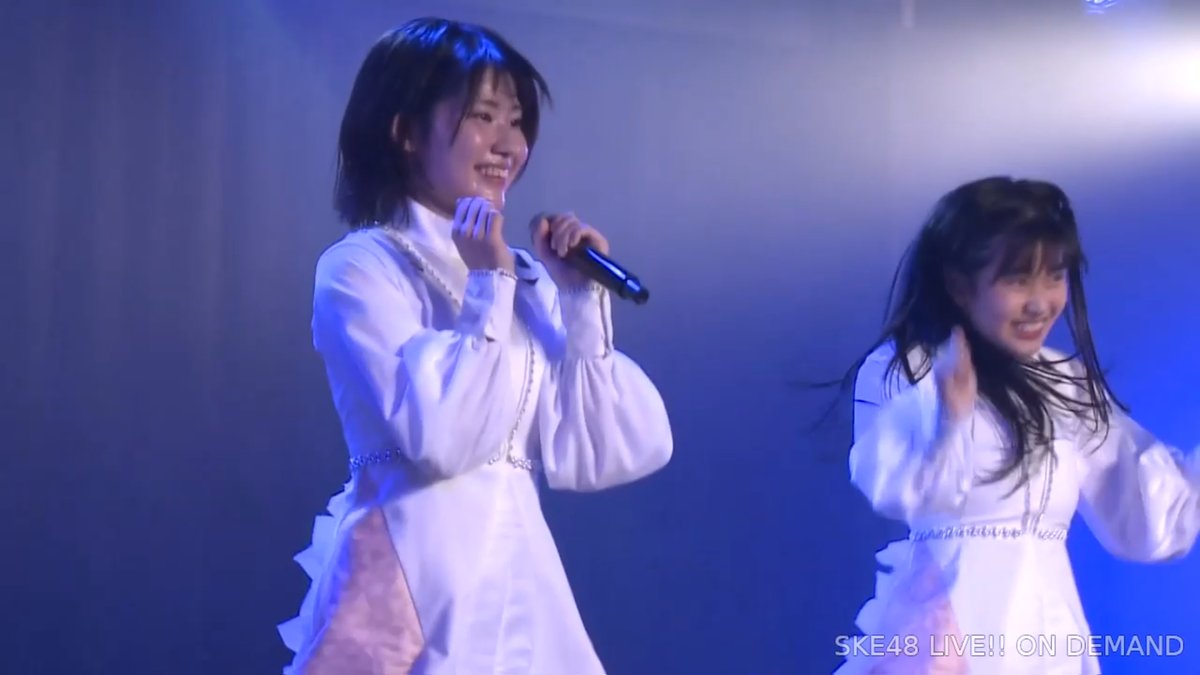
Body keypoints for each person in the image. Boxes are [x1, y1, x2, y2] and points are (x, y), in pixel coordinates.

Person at [276, 18, 673, 675]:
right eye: (483, 117)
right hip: (411, 580)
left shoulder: (526, 277)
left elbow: (599, 449)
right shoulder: (360, 267)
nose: (508, 144)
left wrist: (579, 300)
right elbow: (440, 437)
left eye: (516, 122)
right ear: (406, 131)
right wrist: (489, 284)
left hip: (520, 581)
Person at [835, 176, 1199, 674]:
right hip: (947, 635)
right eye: (1017, 280)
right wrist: (950, 419)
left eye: (1055, 276)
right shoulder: (906, 371)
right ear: (959, 285)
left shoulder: (1065, 381)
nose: (1040, 302)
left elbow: (1148, 514)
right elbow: (900, 489)